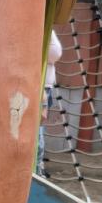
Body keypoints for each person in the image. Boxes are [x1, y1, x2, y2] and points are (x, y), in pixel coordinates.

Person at [38, 28, 63, 176]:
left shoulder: (47, 29)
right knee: (38, 128)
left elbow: (55, 53)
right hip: (40, 86)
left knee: (40, 127)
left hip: (45, 86)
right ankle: (37, 168)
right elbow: (55, 53)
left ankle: (38, 165)